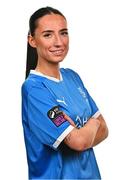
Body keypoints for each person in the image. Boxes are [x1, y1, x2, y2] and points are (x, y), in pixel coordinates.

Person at [21, 6, 108, 179]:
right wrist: (93, 123)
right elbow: (78, 141)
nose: (59, 42)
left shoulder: (73, 77)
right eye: (48, 35)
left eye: (63, 33)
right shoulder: (34, 90)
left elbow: (105, 130)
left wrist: (85, 130)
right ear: (32, 40)